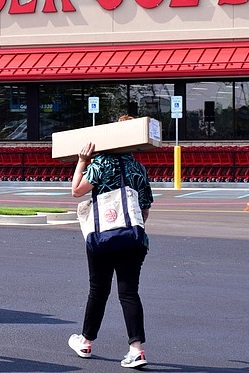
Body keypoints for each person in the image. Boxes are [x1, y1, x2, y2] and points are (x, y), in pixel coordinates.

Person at [68, 115, 153, 369]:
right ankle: (136, 349)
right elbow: (145, 208)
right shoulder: (139, 168)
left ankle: (85, 340)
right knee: (129, 292)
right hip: (132, 238)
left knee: (98, 290)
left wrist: (82, 161)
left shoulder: (101, 163)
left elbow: (76, 191)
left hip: (103, 236)